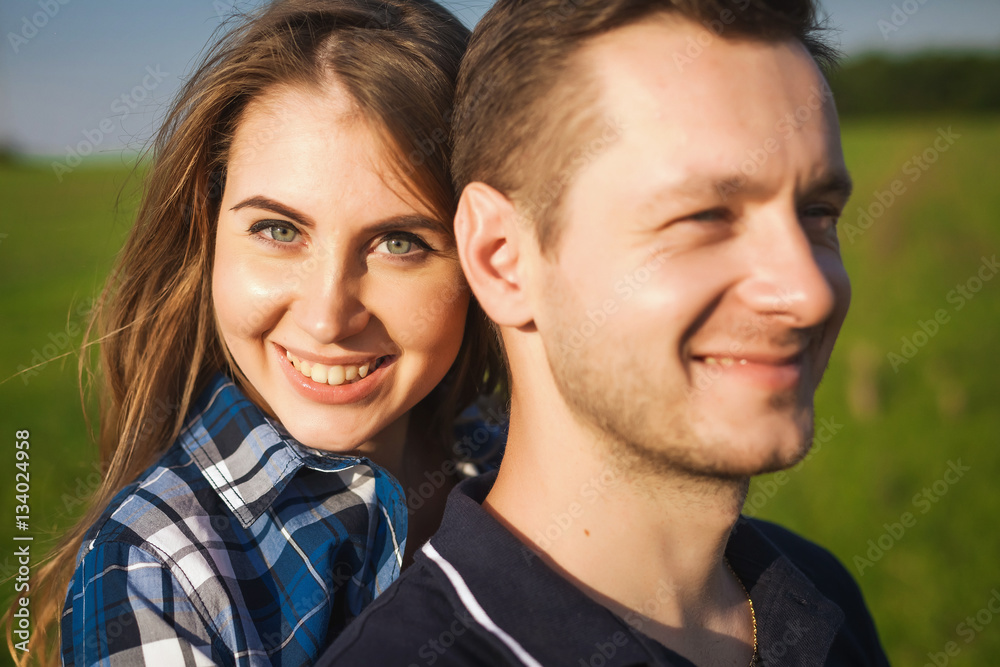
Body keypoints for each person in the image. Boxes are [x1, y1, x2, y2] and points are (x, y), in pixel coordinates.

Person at [320, 0, 892, 665]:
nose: (807, 291)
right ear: (503, 258)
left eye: (818, 212)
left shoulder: (821, 594)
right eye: (705, 216)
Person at [4, 1, 504, 665]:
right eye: (278, 230)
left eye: (399, 241)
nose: (328, 317)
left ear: (486, 260)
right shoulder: (161, 570)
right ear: (207, 238)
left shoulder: (517, 468)